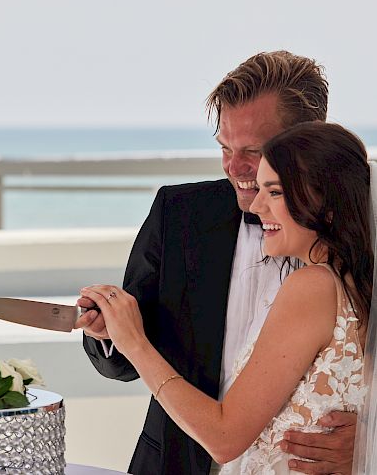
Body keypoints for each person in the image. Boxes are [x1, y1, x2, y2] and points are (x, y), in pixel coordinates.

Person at [75, 51, 358, 474]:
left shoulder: (354, 251)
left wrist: (369, 437)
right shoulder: (179, 214)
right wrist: (111, 335)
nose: (235, 168)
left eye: (254, 151)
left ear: (307, 144)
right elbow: (124, 348)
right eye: (225, 147)